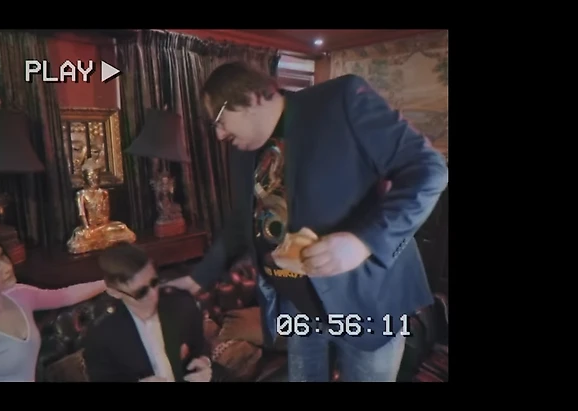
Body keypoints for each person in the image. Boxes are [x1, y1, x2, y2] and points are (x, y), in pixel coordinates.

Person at [166, 62, 448, 382]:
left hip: (367, 300)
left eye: (220, 119)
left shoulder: (341, 99)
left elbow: (429, 170)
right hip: (296, 305)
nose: (218, 134)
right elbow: (241, 222)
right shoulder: (243, 151)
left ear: (252, 97)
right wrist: (198, 277)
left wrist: (363, 241)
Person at [0, 232, 107, 382]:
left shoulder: (18, 295)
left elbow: (65, 295)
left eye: (3, 256)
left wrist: (110, 282)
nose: (7, 267)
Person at [80, 242, 213, 382]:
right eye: (141, 292)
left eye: (154, 282)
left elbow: (200, 345)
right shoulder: (101, 334)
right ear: (114, 292)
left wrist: (205, 362)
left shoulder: (180, 303)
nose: (153, 294)